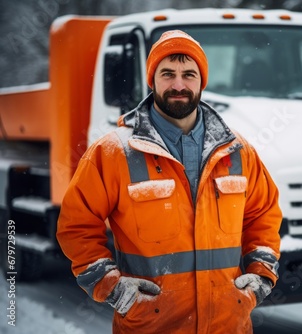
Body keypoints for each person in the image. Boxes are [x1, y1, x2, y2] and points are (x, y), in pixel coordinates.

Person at [56, 30, 282, 333]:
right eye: (168, 74)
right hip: (150, 325)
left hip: (229, 325)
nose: (179, 85)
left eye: (189, 74)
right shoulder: (113, 153)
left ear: (202, 81)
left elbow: (263, 215)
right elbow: (76, 225)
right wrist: (113, 287)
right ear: (152, 80)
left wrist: (260, 276)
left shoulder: (239, 152)